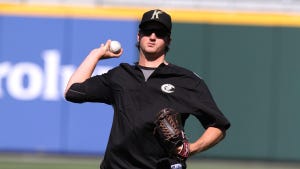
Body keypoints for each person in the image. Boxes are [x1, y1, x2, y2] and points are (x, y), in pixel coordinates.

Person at [65, 9, 230, 169]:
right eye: (148, 31)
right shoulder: (121, 75)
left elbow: (218, 125)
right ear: (139, 36)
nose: (152, 36)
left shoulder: (187, 81)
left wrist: (192, 148)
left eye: (159, 33)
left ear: (168, 40)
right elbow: (72, 92)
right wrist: (95, 55)